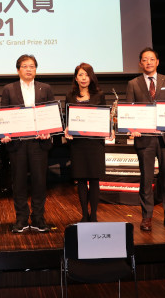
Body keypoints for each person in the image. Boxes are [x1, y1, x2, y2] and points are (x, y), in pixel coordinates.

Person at [125, 48, 165, 232]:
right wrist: (131, 128)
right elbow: (128, 110)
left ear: (157, 62)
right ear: (140, 63)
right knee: (146, 179)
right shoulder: (133, 84)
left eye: (151, 59)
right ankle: (147, 217)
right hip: (144, 139)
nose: (148, 62)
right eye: (145, 60)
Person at [0, 54, 54, 233]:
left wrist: (49, 130)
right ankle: (21, 219)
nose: (29, 69)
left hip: (39, 143)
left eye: (32, 66)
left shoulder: (45, 88)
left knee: (39, 182)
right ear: (18, 70)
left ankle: (39, 218)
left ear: (36, 70)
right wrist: (4, 132)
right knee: (19, 182)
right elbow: (4, 115)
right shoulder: (9, 89)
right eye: (25, 66)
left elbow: (51, 114)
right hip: (18, 144)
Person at [64, 63, 109, 222]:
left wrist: (108, 129)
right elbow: (67, 118)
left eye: (87, 75)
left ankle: (94, 215)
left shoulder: (99, 95)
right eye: (81, 75)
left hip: (95, 143)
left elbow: (104, 118)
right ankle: (84, 214)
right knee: (81, 179)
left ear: (91, 77)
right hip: (78, 144)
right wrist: (67, 128)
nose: (84, 78)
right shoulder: (70, 95)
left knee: (94, 179)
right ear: (76, 78)